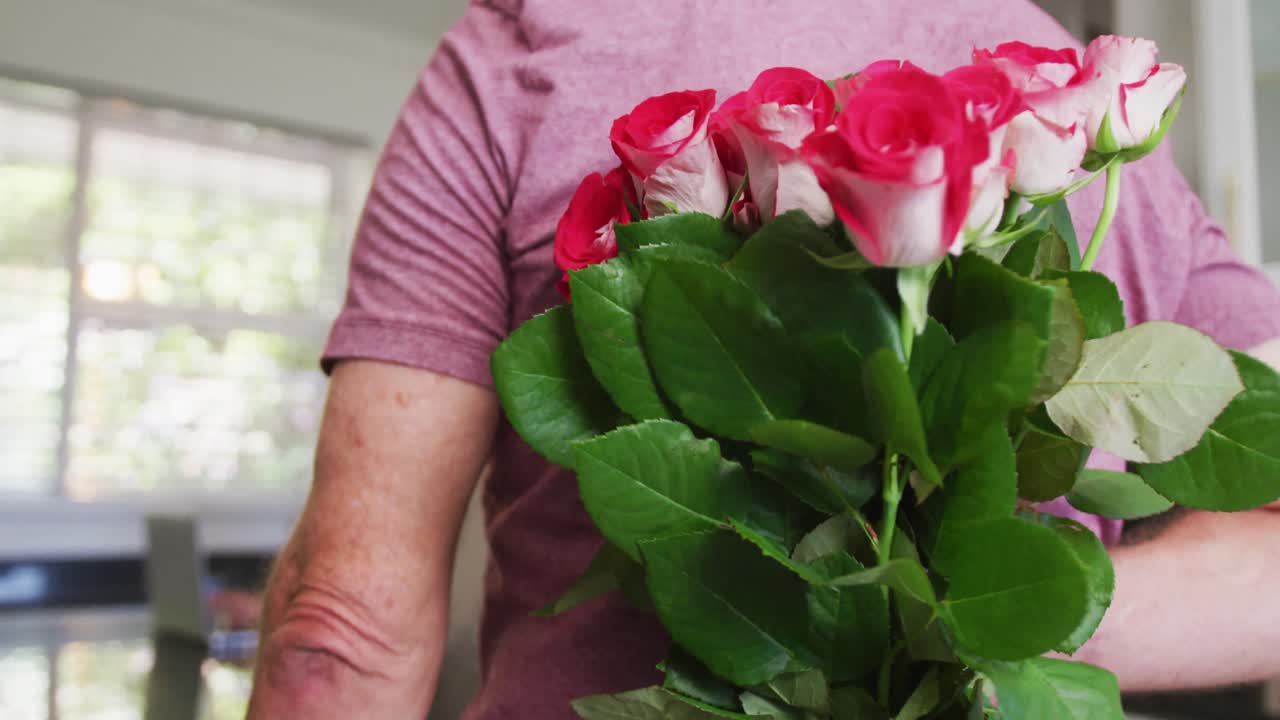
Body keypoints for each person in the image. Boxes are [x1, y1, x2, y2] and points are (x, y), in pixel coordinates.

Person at [245, 1, 1280, 718]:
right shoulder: (1064, 82)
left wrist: (936, 619)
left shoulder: (526, 54)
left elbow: (342, 632)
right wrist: (1014, 620)